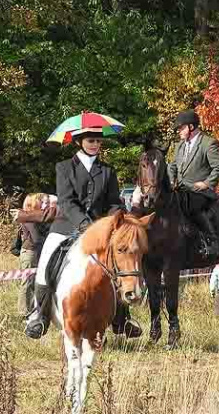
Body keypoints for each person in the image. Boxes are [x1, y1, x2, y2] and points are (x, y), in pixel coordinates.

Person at [19, 125, 140, 340]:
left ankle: (123, 319)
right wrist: (85, 224)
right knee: (46, 262)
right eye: (91, 141)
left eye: (98, 141)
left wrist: (116, 218)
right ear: (79, 142)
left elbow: (113, 201)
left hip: (101, 229)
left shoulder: (108, 170)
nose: (96, 145)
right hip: (66, 227)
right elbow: (66, 201)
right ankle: (39, 316)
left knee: (118, 264)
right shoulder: (64, 167)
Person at [168, 109, 219, 258]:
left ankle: (211, 242)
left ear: (191, 127)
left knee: (192, 206)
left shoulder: (208, 143)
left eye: (181, 128)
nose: (179, 132)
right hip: (180, 190)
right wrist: (171, 179)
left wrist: (206, 183)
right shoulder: (180, 145)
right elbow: (172, 166)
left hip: (200, 191)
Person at [16, 193, 50, 316]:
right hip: (30, 252)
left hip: (35, 252)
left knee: (34, 282)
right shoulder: (28, 218)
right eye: (40, 202)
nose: (43, 205)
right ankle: (24, 312)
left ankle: (33, 310)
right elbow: (36, 238)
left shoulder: (32, 218)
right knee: (27, 282)